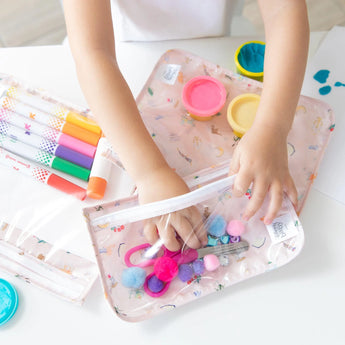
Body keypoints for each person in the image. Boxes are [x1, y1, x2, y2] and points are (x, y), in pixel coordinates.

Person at [63, 0, 309, 251]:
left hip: (215, 40)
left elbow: (283, 11)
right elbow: (92, 52)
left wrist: (273, 126)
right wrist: (150, 173)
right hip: (123, 56)